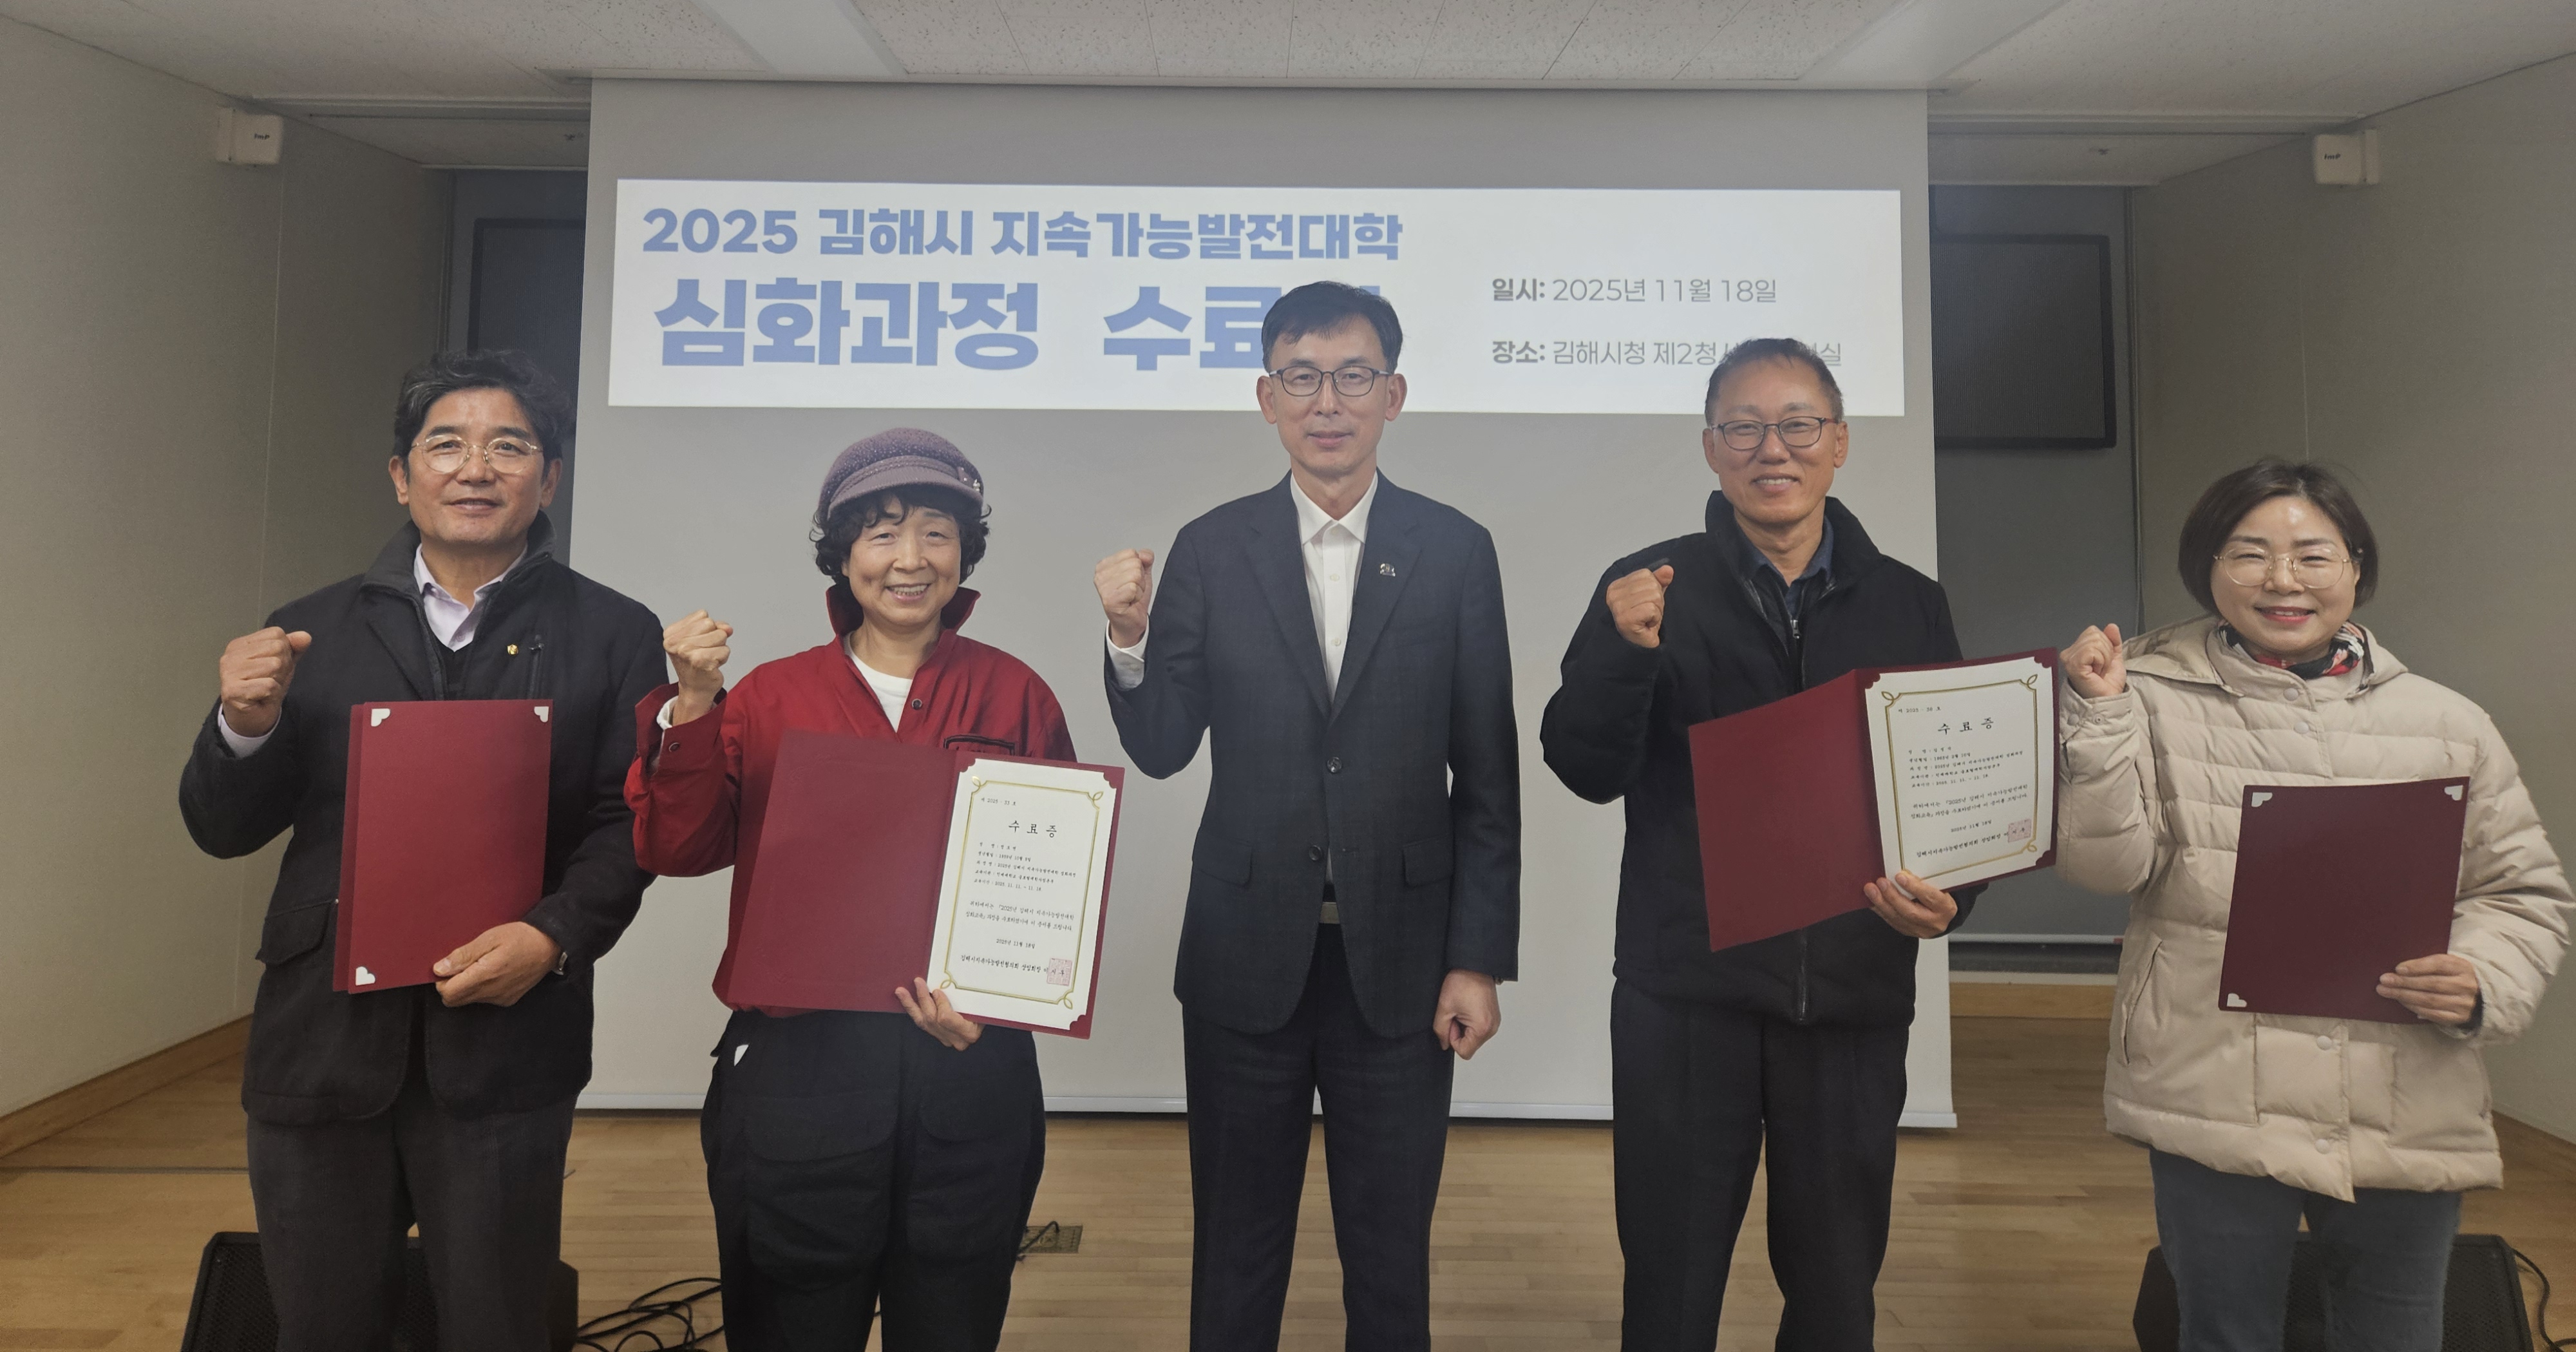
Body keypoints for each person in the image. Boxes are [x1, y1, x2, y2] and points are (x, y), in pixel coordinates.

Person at [177, 350, 666, 1352]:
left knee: (497, 1324)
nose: (475, 468)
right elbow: (223, 829)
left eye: (508, 446)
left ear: (549, 479)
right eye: (447, 445)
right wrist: (241, 725)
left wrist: (553, 935)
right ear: (402, 477)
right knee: (321, 1327)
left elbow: (629, 821)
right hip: (321, 1038)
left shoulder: (615, 632)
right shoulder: (307, 631)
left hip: (507, 1043)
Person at [1092, 280, 1519, 1352]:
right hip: (1244, 957)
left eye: (1353, 376)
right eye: (1302, 377)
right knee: (1235, 1253)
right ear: (1267, 397)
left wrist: (1477, 960)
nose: (1328, 402)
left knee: (1390, 1257)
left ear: (1393, 394)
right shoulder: (1212, 547)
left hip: (1404, 962)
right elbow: (1163, 745)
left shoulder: (1455, 549)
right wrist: (1130, 640)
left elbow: (1489, 778)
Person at [2059, 460, 2570, 1352]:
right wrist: (2098, 719)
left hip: (2403, 1087)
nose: (2283, 580)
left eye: (2313, 556)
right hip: (2211, 1079)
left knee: (2396, 1337)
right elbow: (2107, 867)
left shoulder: (2449, 722)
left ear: (2356, 569)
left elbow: (2521, 890)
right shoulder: (2139, 696)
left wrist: (2484, 976)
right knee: (2225, 1334)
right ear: (2208, 569)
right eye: (2250, 553)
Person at [1540, 336, 1971, 1352]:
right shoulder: (1647, 588)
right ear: (1710, 447)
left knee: (1836, 1295)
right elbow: (1584, 766)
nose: (1772, 449)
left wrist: (1955, 900)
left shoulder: (1909, 601)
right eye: (1743, 426)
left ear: (1839, 443)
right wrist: (1623, 652)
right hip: (1688, 996)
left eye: (1797, 425)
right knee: (1671, 1284)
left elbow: (1951, 786)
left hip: (1854, 997)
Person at [630, 428, 1074, 1352]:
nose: (910, 559)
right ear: (841, 556)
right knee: (792, 1318)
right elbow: (679, 846)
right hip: (803, 1073)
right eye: (881, 534)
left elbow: (1053, 889)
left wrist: (999, 1004)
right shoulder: (768, 697)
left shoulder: (1017, 695)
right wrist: (694, 704)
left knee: (953, 1318)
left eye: (936, 533)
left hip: (967, 1066)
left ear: (965, 553)